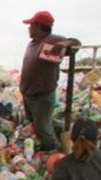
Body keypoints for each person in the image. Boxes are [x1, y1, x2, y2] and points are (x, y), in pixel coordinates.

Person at [19, 10, 80, 151]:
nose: (29, 28)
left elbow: (76, 43)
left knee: (42, 127)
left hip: (42, 94)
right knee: (35, 124)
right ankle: (48, 144)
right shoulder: (32, 43)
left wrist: (65, 44)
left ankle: (52, 152)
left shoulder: (51, 40)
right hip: (28, 93)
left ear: (39, 26)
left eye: (31, 25)